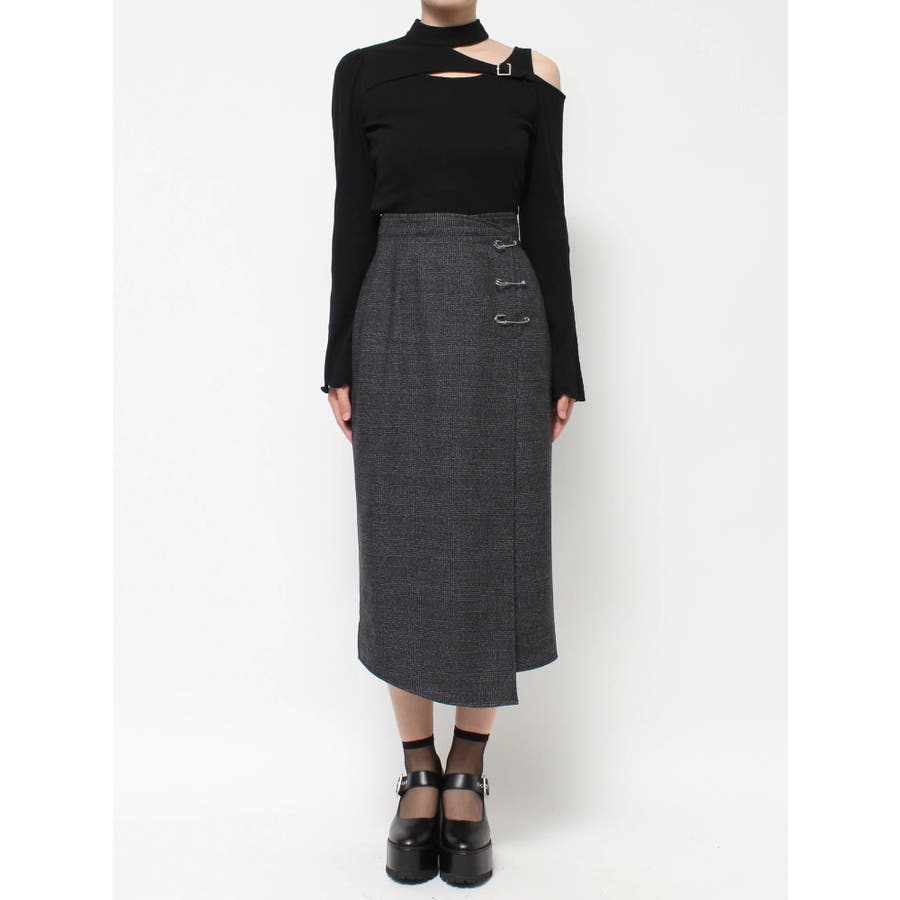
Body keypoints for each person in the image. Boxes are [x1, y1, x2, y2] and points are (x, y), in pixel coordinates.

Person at [320, 1, 586, 887]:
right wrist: (338, 359)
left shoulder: (533, 76)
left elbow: (545, 219)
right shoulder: (363, 72)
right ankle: (418, 769)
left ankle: (468, 764)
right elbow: (351, 219)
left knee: (485, 542)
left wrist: (565, 366)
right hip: (393, 313)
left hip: (504, 320)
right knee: (400, 543)